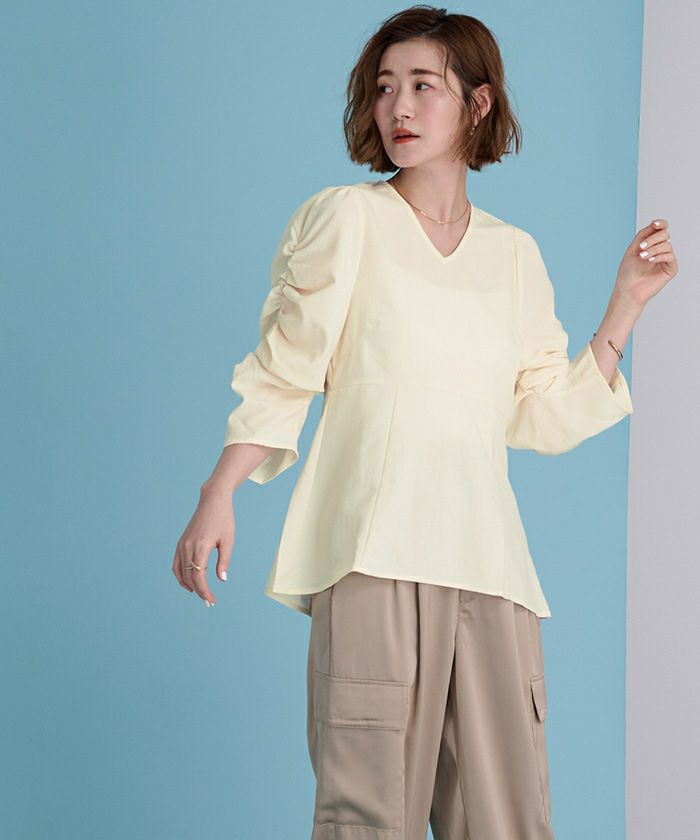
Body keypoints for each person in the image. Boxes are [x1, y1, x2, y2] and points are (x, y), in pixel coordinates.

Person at [172, 6, 677, 838]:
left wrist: (625, 305)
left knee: (508, 822)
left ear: (478, 103)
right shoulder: (347, 220)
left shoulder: (514, 255)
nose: (398, 108)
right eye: (384, 88)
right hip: (374, 559)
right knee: (370, 818)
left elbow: (541, 414)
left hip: (492, 573)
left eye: (422, 86)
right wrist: (219, 490)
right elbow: (287, 368)